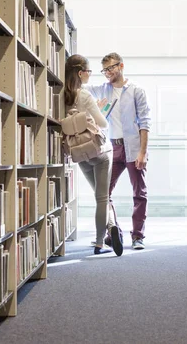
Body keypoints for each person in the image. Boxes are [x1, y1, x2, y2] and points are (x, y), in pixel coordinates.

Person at [84, 52, 151, 250]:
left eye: (111, 68)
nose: (107, 73)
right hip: (111, 148)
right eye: (104, 70)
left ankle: (138, 236)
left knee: (139, 193)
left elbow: (145, 123)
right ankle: (114, 232)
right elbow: (79, 89)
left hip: (133, 147)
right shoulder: (101, 89)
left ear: (121, 66)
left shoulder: (136, 90)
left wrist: (143, 153)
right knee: (103, 192)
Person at [64, 54, 123, 256]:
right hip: (98, 151)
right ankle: (100, 243)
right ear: (80, 73)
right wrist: (98, 110)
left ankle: (112, 225)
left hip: (79, 153)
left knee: (98, 196)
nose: (90, 75)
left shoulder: (61, 96)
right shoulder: (85, 95)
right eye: (88, 71)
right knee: (102, 198)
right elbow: (103, 123)